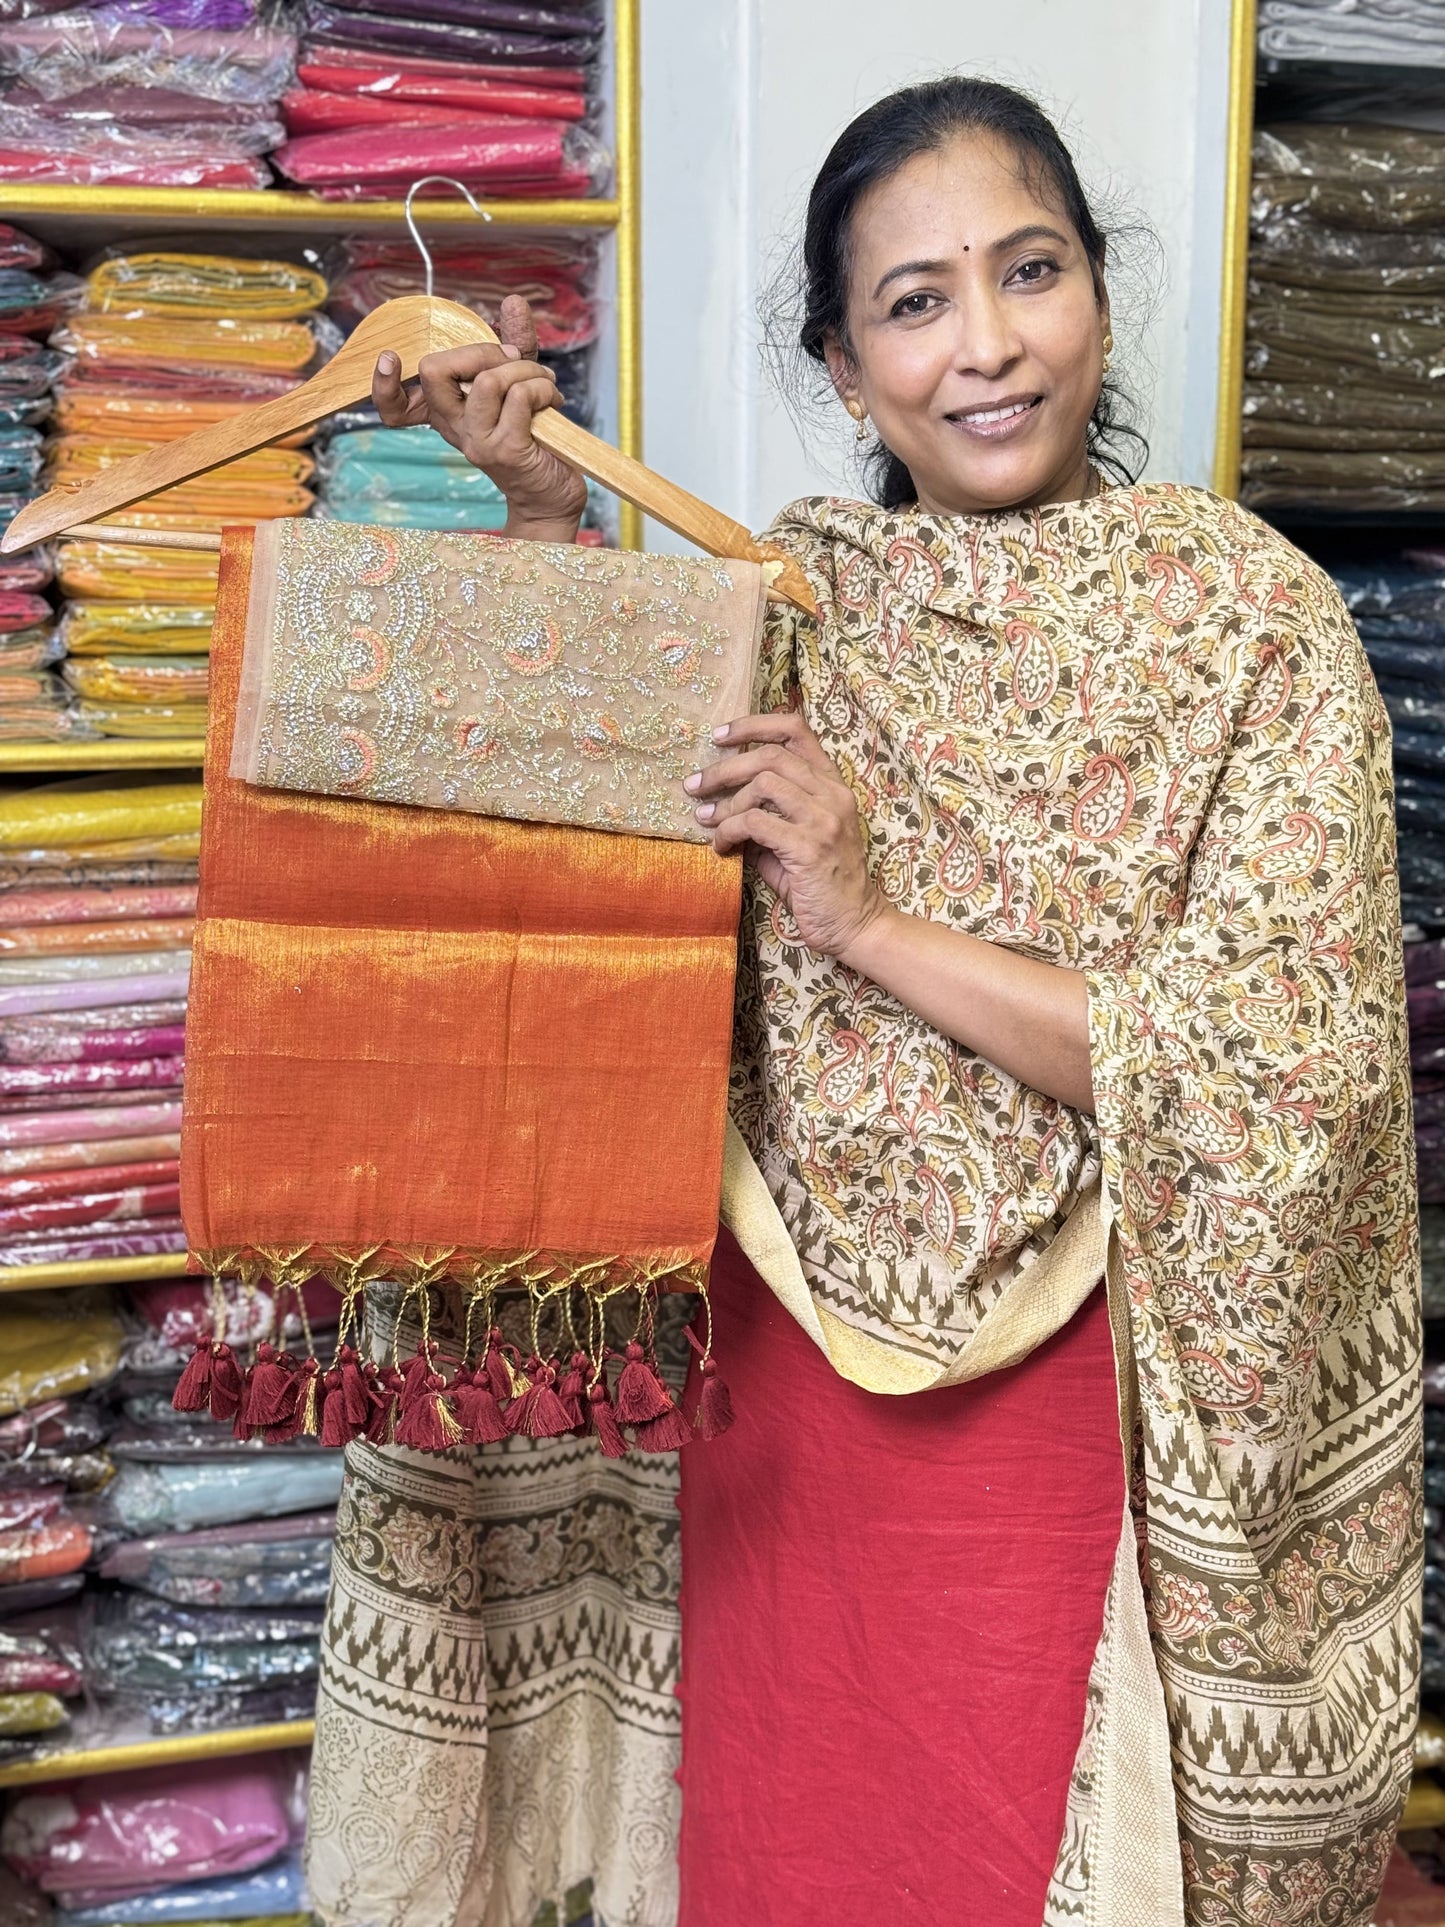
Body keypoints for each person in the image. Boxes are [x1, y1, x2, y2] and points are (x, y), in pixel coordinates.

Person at [371, 76, 1420, 1927]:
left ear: (1101, 294)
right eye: (915, 303)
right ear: (845, 369)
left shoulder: (1252, 620)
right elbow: (578, 855)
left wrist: (861, 919)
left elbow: (1276, 1079)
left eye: (1030, 273)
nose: (988, 346)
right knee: (797, 1846)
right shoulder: (783, 603)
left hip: (1095, 1396)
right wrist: (545, 515)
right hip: (784, 1404)